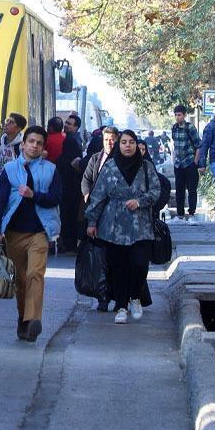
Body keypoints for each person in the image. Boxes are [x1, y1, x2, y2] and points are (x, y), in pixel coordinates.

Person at [0, 125, 63, 342]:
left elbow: (56, 198)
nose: (35, 146)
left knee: (35, 274)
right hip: (14, 233)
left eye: (39, 143)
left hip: (39, 232)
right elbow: (0, 201)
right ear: (23, 144)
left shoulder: (50, 169)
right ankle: (23, 317)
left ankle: (33, 321)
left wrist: (35, 195)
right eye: (31, 141)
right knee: (21, 280)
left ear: (43, 147)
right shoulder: (10, 170)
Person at [84, 130, 162, 325]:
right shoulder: (109, 167)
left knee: (140, 263)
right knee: (118, 267)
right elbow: (98, 196)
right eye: (124, 142)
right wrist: (92, 222)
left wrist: (140, 201)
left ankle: (135, 297)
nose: (128, 145)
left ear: (137, 145)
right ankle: (121, 306)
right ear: (119, 145)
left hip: (140, 224)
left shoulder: (146, 167)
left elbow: (156, 191)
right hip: (114, 225)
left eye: (132, 142)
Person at [80, 126, 119, 311]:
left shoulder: (122, 160)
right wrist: (87, 193)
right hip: (97, 215)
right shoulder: (96, 159)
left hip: (118, 220)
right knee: (100, 258)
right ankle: (102, 296)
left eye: (112, 139)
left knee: (116, 260)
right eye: (106, 140)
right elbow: (86, 179)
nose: (109, 143)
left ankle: (120, 297)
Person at [56, 114, 85, 254]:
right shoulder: (74, 139)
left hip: (69, 184)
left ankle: (69, 244)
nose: (66, 125)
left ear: (76, 127)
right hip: (72, 184)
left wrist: (57, 163)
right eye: (66, 122)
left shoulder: (71, 141)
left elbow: (68, 162)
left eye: (69, 123)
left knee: (68, 214)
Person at [0, 112, 27, 204]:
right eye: (7, 121)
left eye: (11, 122)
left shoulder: (21, 146)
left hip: (15, 192)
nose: (6, 124)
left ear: (18, 129)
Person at [170, 105, 201, 221]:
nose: (177, 117)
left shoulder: (190, 127)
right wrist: (174, 160)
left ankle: (192, 214)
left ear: (184, 115)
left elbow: (198, 145)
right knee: (179, 190)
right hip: (178, 164)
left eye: (179, 115)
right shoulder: (174, 128)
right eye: (176, 115)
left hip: (189, 162)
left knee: (192, 189)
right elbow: (175, 145)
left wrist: (195, 162)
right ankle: (180, 215)